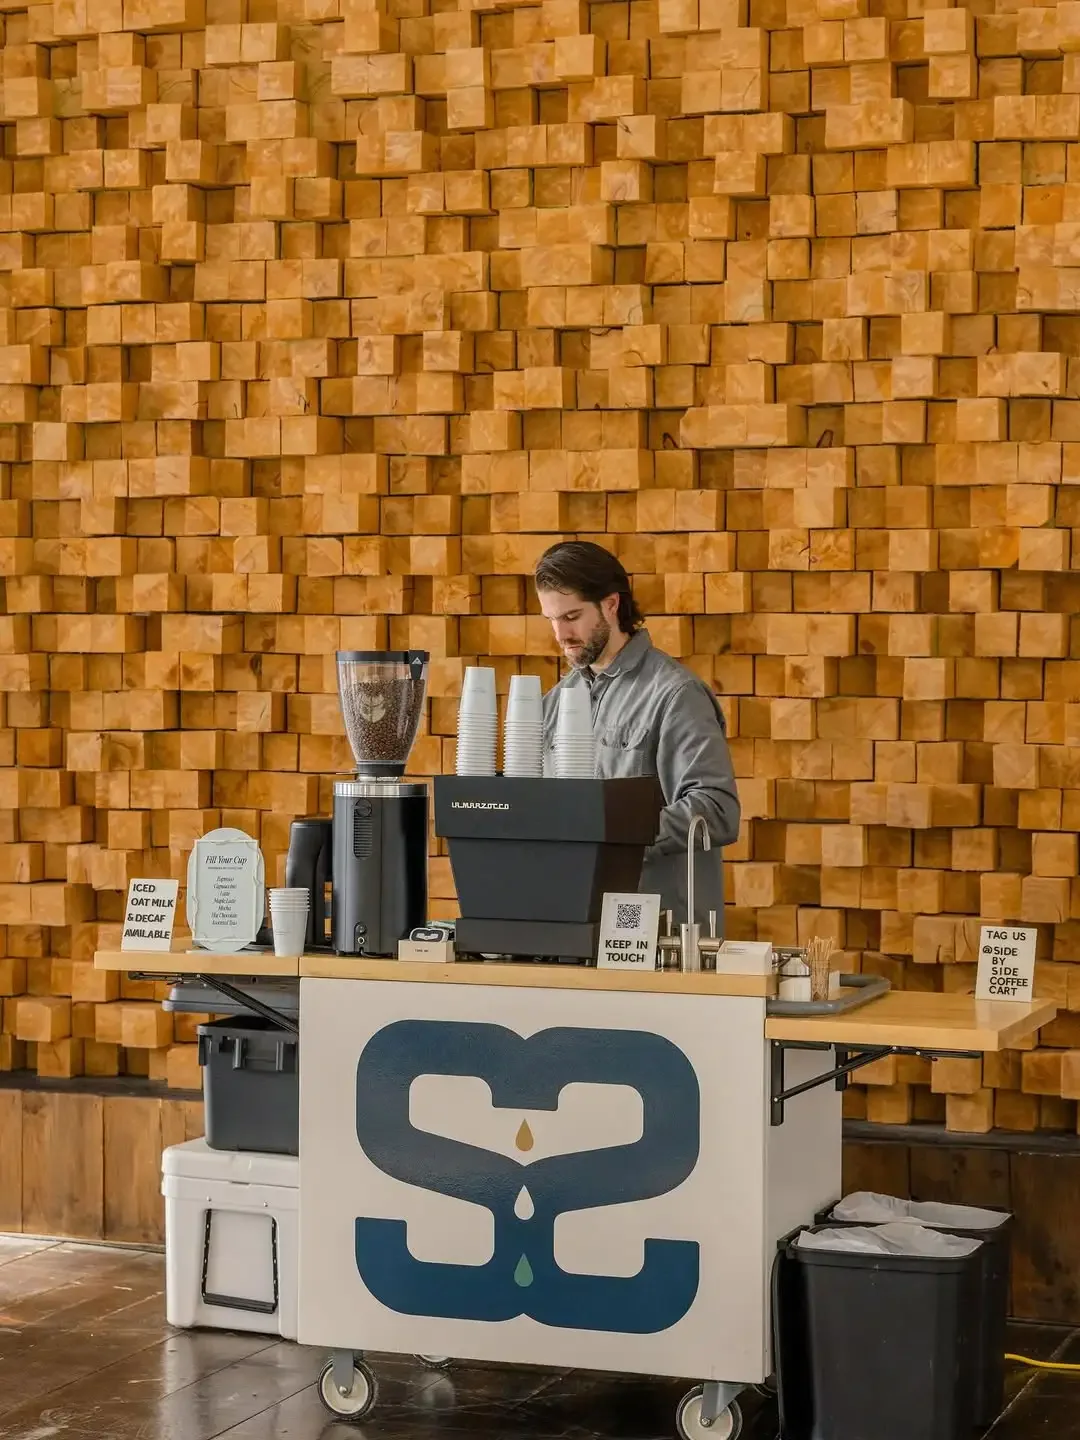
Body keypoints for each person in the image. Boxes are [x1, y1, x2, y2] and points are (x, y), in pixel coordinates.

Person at [535, 540, 740, 932]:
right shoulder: (554, 704)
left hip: (662, 938)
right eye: (551, 620)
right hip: (575, 926)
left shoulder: (677, 695)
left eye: (573, 616)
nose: (561, 634)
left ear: (611, 605)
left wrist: (613, 836)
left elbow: (717, 811)